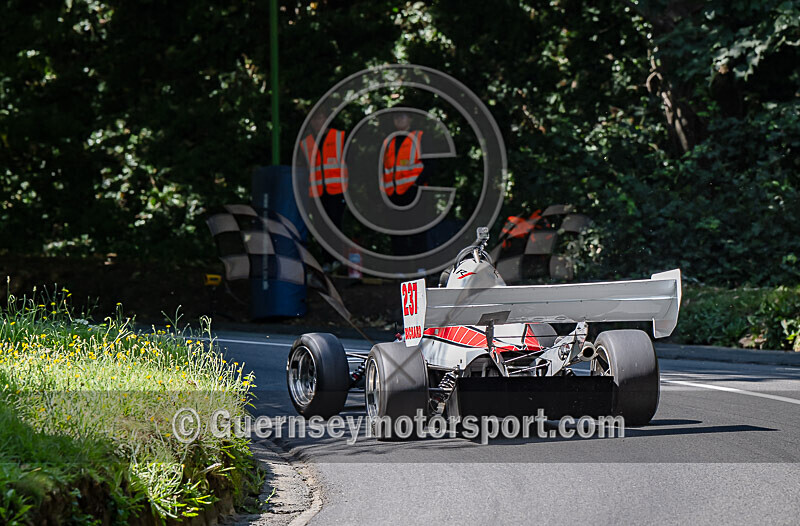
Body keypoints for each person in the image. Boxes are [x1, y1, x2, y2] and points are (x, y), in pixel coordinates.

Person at [383, 112, 431, 257]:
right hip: (393, 194)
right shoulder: (389, 141)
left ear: (410, 118)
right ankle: (401, 270)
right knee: (397, 232)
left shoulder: (420, 137)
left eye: (402, 116)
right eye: (396, 117)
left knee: (418, 231)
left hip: (414, 193)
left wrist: (417, 183)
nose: (398, 120)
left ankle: (421, 269)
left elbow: (430, 165)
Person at [301, 111, 347, 229]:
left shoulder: (339, 137)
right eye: (313, 119)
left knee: (335, 228)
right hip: (316, 195)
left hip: (336, 192)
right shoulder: (306, 143)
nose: (317, 122)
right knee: (321, 230)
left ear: (326, 119)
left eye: (319, 118)